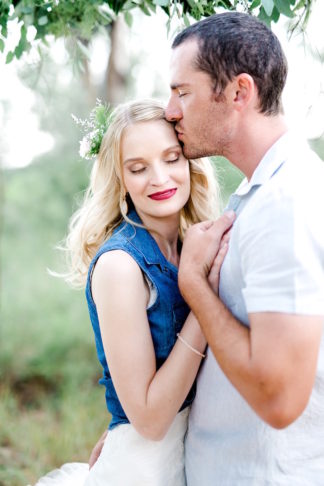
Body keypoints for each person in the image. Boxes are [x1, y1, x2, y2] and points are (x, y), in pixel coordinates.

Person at [34, 99, 232, 486]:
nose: (159, 178)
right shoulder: (120, 266)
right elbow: (151, 421)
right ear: (120, 180)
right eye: (138, 168)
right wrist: (203, 298)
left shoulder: (192, 244)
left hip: (199, 459)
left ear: (189, 161)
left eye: (171, 158)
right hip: (145, 472)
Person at [163, 11, 324, 486]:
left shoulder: (286, 205)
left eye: (182, 91)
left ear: (239, 92)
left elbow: (279, 399)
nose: (170, 110)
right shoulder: (263, 191)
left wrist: (193, 284)